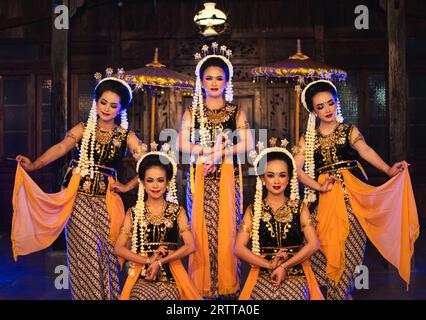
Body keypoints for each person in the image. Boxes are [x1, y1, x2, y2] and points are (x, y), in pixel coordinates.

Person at [12, 68, 145, 300]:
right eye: (103, 102)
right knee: (88, 252)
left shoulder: (126, 136)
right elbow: (61, 148)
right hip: (78, 199)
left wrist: (127, 186)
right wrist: (34, 164)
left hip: (107, 203)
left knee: (109, 254)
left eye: (113, 105)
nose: (107, 108)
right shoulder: (82, 129)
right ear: (96, 101)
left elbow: (150, 163)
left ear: (121, 109)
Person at [294, 79, 419, 299]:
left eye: (330, 103)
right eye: (320, 106)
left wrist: (389, 169)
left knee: (349, 256)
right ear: (313, 111)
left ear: (337, 102)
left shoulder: (348, 130)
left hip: (354, 201)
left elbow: (366, 150)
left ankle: (340, 295)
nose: (327, 110)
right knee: (315, 251)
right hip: (323, 204)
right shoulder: (308, 139)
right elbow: (297, 170)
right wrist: (319, 187)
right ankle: (340, 294)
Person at [177, 43, 254, 298]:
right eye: (208, 78)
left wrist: (218, 153)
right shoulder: (192, 112)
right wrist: (205, 153)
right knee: (199, 229)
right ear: (200, 81)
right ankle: (200, 288)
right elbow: (181, 144)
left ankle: (227, 287)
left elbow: (247, 144)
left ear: (227, 81)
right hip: (199, 177)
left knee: (228, 228)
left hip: (228, 177)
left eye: (219, 78)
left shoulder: (235, 111)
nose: (213, 82)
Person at [236, 139, 323, 300]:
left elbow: (314, 244)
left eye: (282, 175)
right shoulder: (253, 210)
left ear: (289, 178)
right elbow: (239, 248)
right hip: (263, 273)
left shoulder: (299, 207)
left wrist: (284, 266)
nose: (276, 181)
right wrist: (269, 265)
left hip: (296, 272)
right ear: (262, 178)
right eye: (271, 175)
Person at [115, 148, 201, 300]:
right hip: (141, 278)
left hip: (172, 278)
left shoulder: (177, 211)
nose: (155, 186)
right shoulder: (133, 212)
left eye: (160, 180)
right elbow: (119, 248)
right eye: (150, 180)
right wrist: (148, 261)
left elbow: (190, 246)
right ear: (142, 182)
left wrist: (160, 262)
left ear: (167, 182)